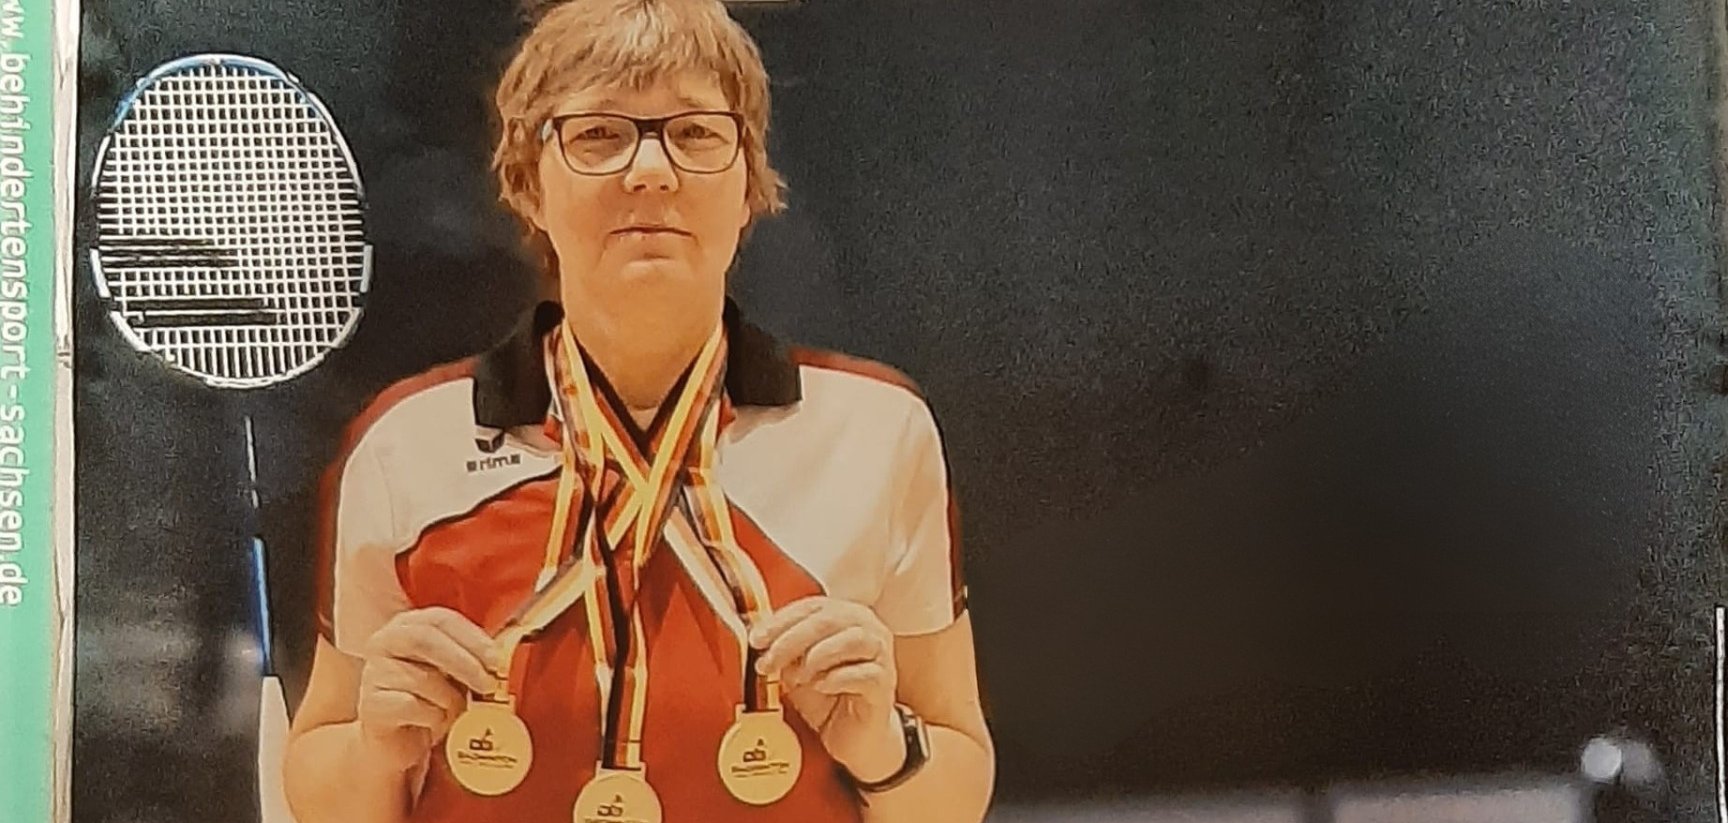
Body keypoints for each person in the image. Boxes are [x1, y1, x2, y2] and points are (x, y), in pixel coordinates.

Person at [280, 1, 996, 822]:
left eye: (694, 133)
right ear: (528, 183)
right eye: (598, 135)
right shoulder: (403, 444)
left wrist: (884, 745)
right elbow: (322, 778)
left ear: (749, 182)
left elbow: (957, 782)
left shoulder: (878, 433)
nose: (651, 170)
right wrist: (375, 746)